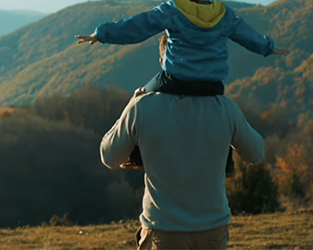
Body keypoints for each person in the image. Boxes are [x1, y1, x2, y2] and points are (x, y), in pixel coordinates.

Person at [77, 0, 288, 172]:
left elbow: (138, 26)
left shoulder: (173, 9)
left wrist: (102, 34)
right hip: (212, 86)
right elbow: (247, 34)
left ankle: (138, 155)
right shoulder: (224, 13)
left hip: (177, 80)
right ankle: (226, 163)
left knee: (143, 97)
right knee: (222, 121)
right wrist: (268, 47)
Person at [100, 92, 264, 250]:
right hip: (212, 230)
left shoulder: (142, 107)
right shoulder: (224, 107)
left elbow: (110, 157)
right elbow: (256, 154)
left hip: (163, 229)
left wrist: (128, 109)